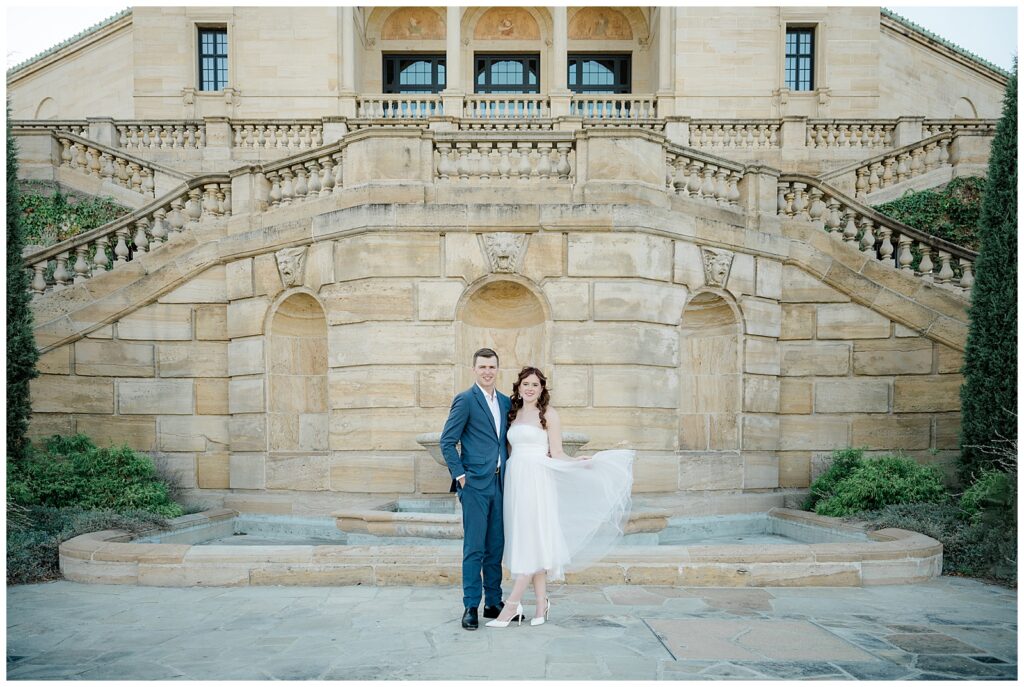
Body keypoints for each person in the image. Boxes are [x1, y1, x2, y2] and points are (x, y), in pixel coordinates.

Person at [486, 366, 634, 628]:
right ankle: (542, 604)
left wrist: (577, 462)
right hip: (515, 481)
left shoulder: (549, 415)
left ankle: (511, 606)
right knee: (528, 538)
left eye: (535, 384)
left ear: (542, 389)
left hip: (537, 480)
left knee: (531, 538)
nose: (530, 388)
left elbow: (557, 452)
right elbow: (508, 451)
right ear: (518, 387)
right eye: (525, 384)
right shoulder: (512, 414)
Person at [440, 348, 519, 631]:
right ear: (474, 369)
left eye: (492, 367)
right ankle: (471, 605)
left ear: (498, 369)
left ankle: (493, 602)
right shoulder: (465, 400)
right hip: (474, 485)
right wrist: (461, 476)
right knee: (474, 547)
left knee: (495, 546)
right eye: (483, 367)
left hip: (500, 484)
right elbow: (447, 441)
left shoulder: (506, 402)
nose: (488, 372)